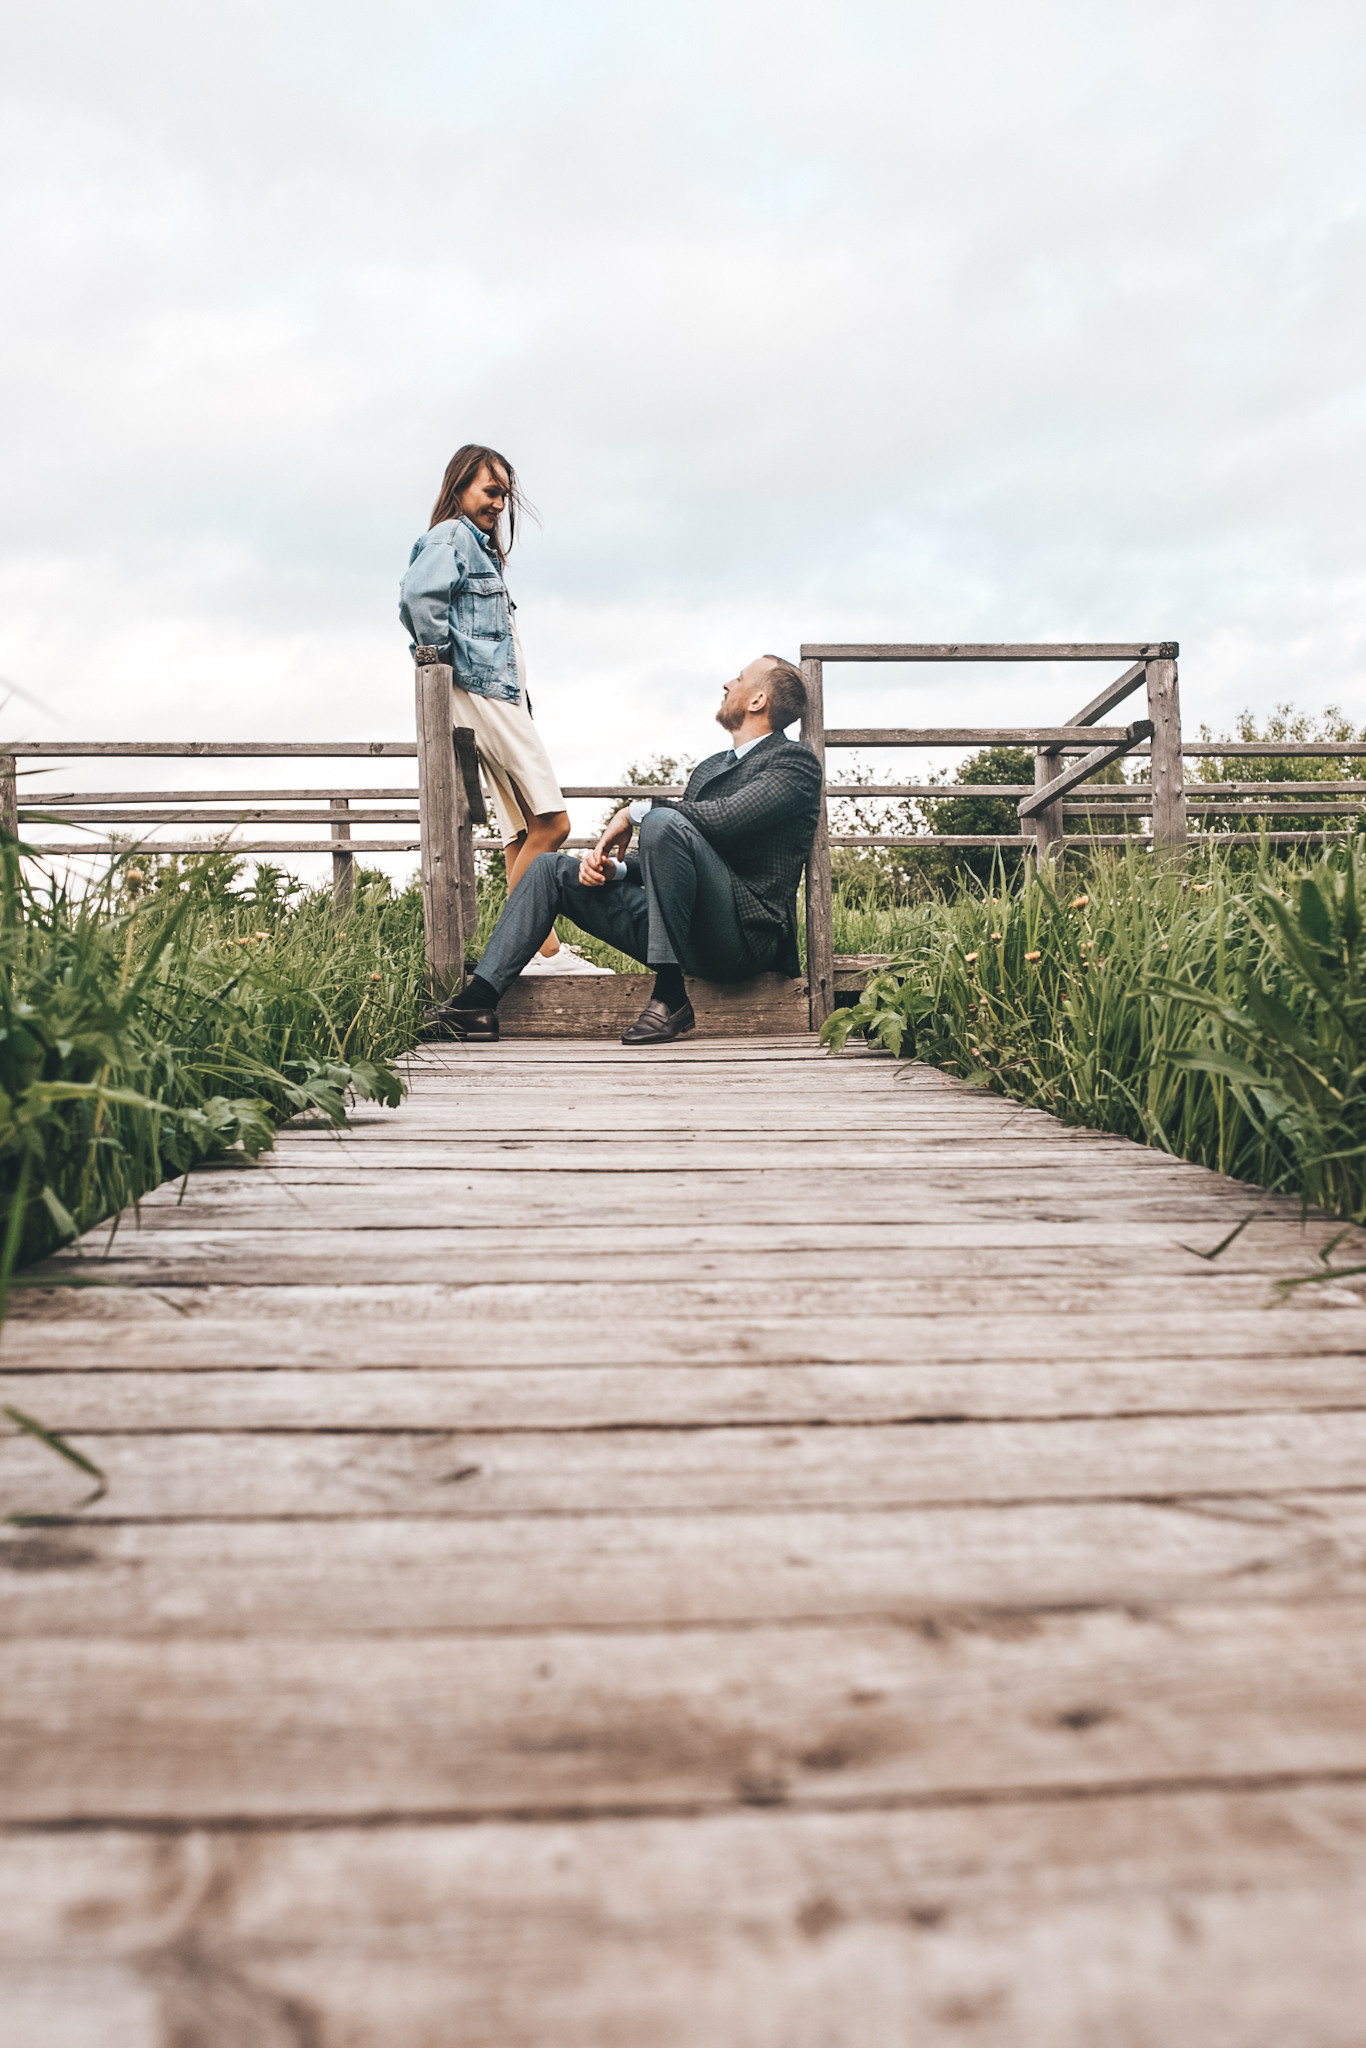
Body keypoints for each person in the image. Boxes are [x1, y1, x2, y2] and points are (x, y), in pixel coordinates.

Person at [433, 654, 822, 1045]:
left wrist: (634, 812)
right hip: (682, 932)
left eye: (737, 679)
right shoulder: (708, 769)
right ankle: (476, 1006)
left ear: (758, 700)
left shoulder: (794, 763)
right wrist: (614, 870)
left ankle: (670, 997)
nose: (726, 685)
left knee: (661, 820)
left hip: (742, 942)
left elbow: (725, 818)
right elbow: (677, 858)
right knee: (550, 868)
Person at [399, 444, 602, 973]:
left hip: (498, 696)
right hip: (482, 696)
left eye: (504, 496)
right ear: (459, 486)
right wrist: (442, 669)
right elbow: (418, 599)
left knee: (522, 830)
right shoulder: (450, 537)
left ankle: (545, 953)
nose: (499, 505)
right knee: (554, 824)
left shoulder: (476, 546)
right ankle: (509, 949)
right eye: (491, 492)